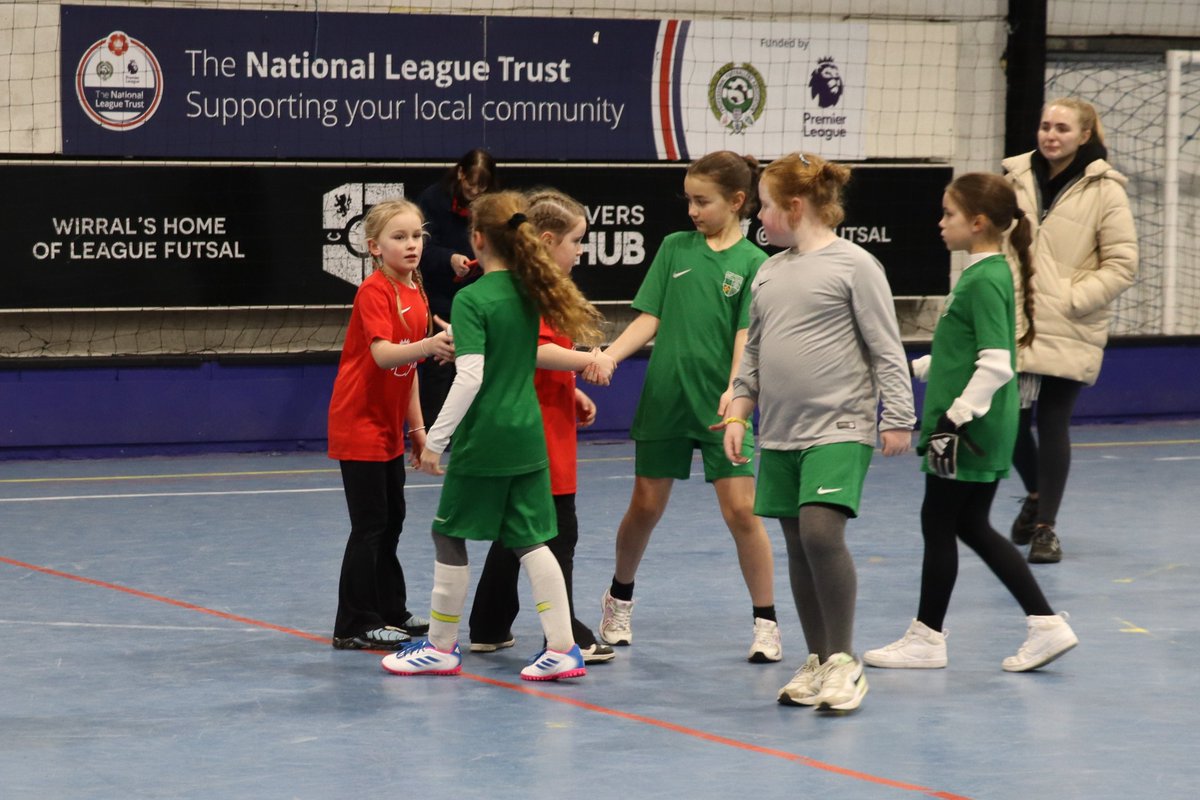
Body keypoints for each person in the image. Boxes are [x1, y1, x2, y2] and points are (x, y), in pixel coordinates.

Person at [719, 152, 915, 713]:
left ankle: (845, 663)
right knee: (797, 543)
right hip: (779, 433)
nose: (758, 215)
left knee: (821, 533)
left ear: (795, 206)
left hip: (840, 426)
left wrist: (897, 415)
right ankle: (819, 659)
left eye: (764, 205)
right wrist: (737, 410)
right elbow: (753, 353)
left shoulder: (855, 266)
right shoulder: (769, 270)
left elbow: (885, 346)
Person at [381, 190, 605, 681]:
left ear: (477, 239)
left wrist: (435, 441)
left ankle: (440, 646)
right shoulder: (532, 291)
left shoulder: (472, 297)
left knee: (447, 532)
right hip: (529, 434)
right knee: (530, 538)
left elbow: (471, 377)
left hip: (487, 438)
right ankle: (564, 649)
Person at [863, 172, 1078, 674]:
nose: (940, 224)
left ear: (978, 222)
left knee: (939, 521)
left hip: (971, 429)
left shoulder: (983, 279)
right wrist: (912, 370)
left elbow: (996, 363)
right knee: (969, 525)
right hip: (983, 425)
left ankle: (928, 638)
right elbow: (962, 352)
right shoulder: (989, 273)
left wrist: (954, 419)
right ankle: (1044, 624)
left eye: (949, 215)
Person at [585, 150, 779, 662]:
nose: (692, 210)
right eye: (689, 200)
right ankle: (618, 599)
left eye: (703, 201)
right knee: (645, 507)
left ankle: (766, 622)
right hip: (666, 399)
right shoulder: (674, 248)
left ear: (738, 202)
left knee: (742, 511)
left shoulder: (755, 265)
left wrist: (738, 391)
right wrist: (609, 355)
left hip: (722, 409)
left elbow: (746, 335)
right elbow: (649, 317)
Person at [467, 188, 616, 664]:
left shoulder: (540, 289)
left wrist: (569, 387)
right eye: (576, 241)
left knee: (517, 528)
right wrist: (587, 359)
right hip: (536, 431)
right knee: (558, 532)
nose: (580, 251)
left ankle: (488, 625)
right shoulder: (531, 291)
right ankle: (566, 631)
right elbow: (533, 351)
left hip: (544, 416)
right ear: (548, 240)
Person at [1002, 98, 1138, 563]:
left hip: (1071, 322)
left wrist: (1072, 299)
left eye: (1062, 128)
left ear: (1084, 135)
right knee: (1011, 422)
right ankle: (1038, 494)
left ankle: (1045, 528)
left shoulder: (1107, 190)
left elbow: (1122, 264)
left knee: (1055, 419)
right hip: (1017, 321)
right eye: (1044, 126)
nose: (1050, 135)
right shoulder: (1013, 179)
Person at [327, 199, 455, 650]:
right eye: (399, 237)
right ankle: (353, 623)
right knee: (370, 524)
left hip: (388, 427)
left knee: (393, 519)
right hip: (358, 422)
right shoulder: (374, 291)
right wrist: (428, 345)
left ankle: (390, 611)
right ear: (374, 247)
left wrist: (418, 432)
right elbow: (384, 355)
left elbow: (409, 373)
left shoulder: (416, 289)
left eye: (417, 235)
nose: (411, 244)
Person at [416, 148, 500, 432]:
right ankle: (434, 432)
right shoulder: (432, 199)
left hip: (477, 297)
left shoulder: (491, 208)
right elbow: (422, 248)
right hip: (440, 297)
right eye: (470, 184)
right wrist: (449, 259)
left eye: (482, 187)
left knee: (473, 365)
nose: (474, 191)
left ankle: (472, 428)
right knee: (439, 366)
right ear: (460, 173)